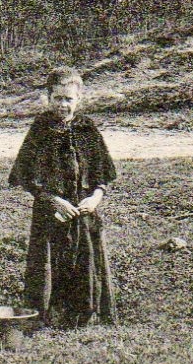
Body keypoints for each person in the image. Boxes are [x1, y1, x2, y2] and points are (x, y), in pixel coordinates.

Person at [7, 67, 118, 327]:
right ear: (48, 98)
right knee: (49, 264)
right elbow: (26, 175)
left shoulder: (87, 129)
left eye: (69, 99)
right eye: (58, 98)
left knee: (87, 261)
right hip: (51, 211)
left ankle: (85, 316)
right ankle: (48, 317)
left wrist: (95, 198)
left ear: (78, 99)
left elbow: (102, 172)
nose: (63, 105)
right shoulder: (40, 129)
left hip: (83, 211)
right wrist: (54, 200)